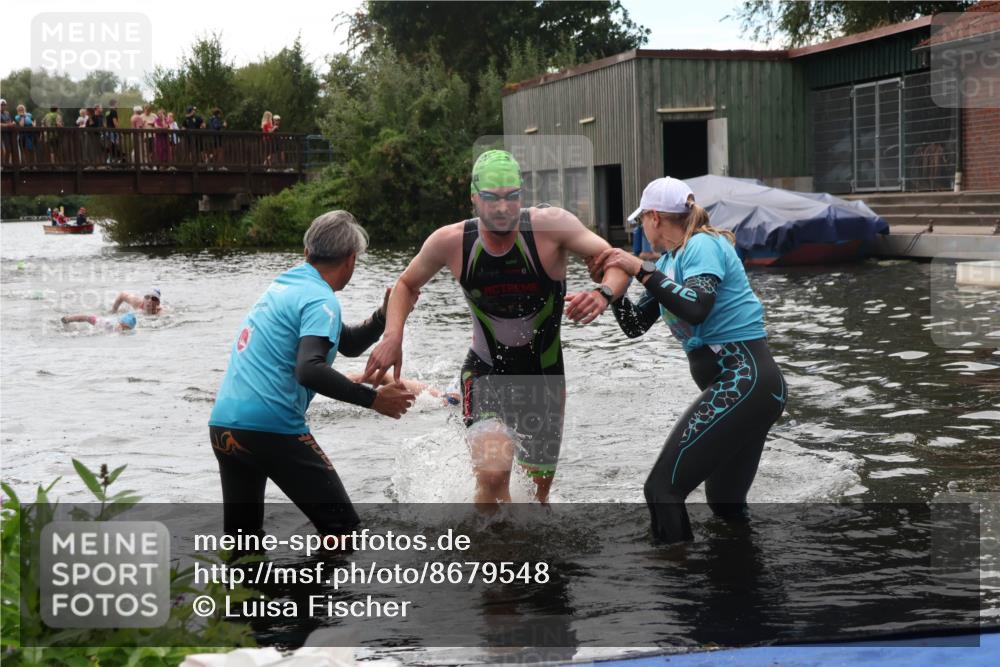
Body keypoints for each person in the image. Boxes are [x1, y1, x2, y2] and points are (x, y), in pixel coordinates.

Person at [363, 150, 631, 508]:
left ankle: (520, 557)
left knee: (536, 502)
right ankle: (484, 556)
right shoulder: (452, 241)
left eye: (511, 196)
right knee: (493, 474)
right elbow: (406, 284)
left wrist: (604, 292)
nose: (502, 207)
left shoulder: (552, 227)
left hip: (545, 380)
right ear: (474, 197)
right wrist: (393, 335)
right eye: (491, 198)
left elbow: (617, 262)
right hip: (486, 374)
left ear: (522, 195)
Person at [589, 177, 787, 544]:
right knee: (725, 507)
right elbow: (634, 325)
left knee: (661, 490)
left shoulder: (702, 245)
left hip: (746, 382)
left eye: (641, 223)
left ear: (653, 218)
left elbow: (696, 307)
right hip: (749, 391)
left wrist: (640, 269)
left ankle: (675, 586)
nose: (641, 231)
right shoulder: (669, 262)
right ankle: (742, 590)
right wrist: (612, 292)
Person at [208, 211, 415, 541]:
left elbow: (345, 343)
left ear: (307, 253)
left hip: (224, 425)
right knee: (343, 532)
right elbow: (309, 369)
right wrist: (373, 399)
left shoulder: (284, 286)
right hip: (271, 428)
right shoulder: (321, 299)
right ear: (351, 260)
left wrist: (381, 316)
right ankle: (316, 594)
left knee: (243, 542)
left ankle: (253, 592)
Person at [61, 312, 137, 333]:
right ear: (120, 322)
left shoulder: (128, 332)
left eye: (127, 329)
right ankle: (68, 318)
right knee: (86, 318)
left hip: (106, 325)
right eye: (123, 327)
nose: (124, 330)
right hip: (102, 322)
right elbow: (86, 317)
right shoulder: (107, 323)